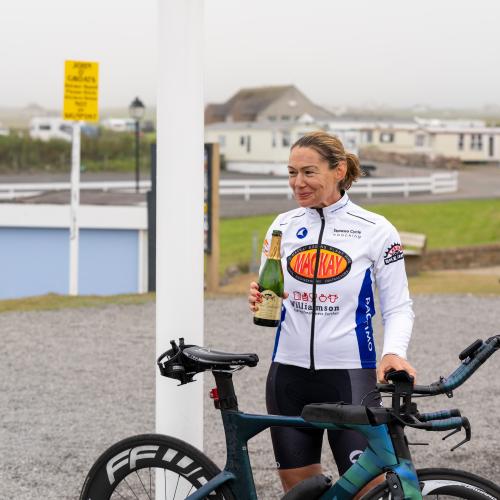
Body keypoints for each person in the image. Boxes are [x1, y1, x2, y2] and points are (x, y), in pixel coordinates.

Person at [248, 131, 416, 495]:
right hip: (288, 376)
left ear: (339, 170)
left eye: (309, 172)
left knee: (368, 489)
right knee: (301, 491)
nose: (298, 183)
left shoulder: (375, 229)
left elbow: (398, 306)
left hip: (350, 377)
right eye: (292, 173)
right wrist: (261, 299)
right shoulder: (282, 226)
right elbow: (274, 301)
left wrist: (393, 352)